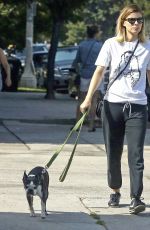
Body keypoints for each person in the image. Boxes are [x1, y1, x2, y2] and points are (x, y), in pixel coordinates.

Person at [80, 4, 150, 214]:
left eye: (140, 20)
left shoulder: (147, 46)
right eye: (132, 20)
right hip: (113, 106)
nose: (137, 24)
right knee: (113, 152)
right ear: (123, 22)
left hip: (137, 106)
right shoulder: (111, 44)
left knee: (136, 153)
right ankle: (115, 190)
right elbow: (99, 73)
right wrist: (88, 99)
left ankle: (136, 197)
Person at [73, 25, 103, 132]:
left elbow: (76, 62)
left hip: (84, 74)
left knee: (81, 100)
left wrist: (79, 71)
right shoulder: (100, 46)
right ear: (96, 33)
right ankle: (91, 125)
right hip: (96, 76)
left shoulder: (81, 45)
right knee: (94, 100)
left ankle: (77, 124)